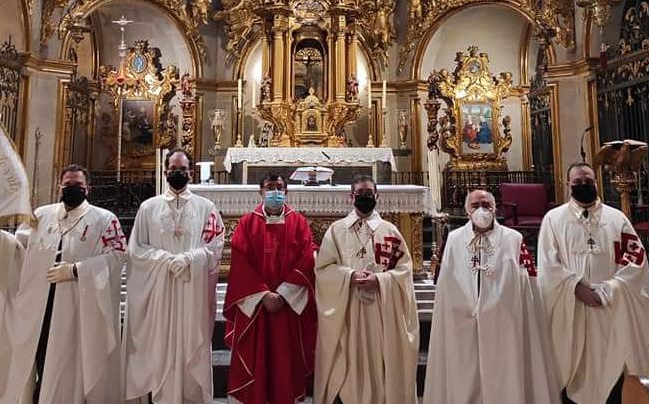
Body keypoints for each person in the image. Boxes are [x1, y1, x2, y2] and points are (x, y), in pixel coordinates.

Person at [0, 164, 126, 404]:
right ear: (59, 186)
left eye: (78, 185)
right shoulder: (41, 215)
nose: (72, 188)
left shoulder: (104, 220)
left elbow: (118, 256)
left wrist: (76, 270)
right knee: (38, 359)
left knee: (67, 364)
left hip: (75, 309)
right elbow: (19, 250)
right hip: (39, 307)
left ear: (88, 188)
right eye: (68, 185)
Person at [538, 163, 649, 404]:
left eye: (588, 181)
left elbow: (635, 262)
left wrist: (611, 289)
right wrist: (576, 287)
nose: (583, 185)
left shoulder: (617, 219)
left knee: (612, 370)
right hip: (572, 308)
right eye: (577, 182)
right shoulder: (553, 220)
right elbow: (547, 265)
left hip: (610, 307)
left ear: (597, 182)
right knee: (572, 370)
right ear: (568, 185)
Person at [423, 189, 561, 404]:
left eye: (487, 205)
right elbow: (446, 282)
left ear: (495, 208)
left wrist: (498, 304)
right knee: (465, 371)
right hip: (463, 320)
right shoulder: (454, 239)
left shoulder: (513, 239)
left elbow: (527, 282)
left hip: (504, 320)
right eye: (476, 205)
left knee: (505, 370)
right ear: (467, 211)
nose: (482, 209)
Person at [123, 148, 225, 404]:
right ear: (165, 171)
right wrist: (165, 260)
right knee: (161, 343)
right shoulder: (149, 207)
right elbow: (136, 249)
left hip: (192, 288)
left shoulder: (206, 207)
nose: (177, 173)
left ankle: (190, 397)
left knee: (191, 343)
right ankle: (162, 395)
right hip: (160, 289)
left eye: (182, 169)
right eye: (173, 169)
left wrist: (190, 259)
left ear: (190, 172)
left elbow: (216, 244)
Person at [314, 175, 419, 404]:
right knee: (350, 357)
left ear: (377, 196)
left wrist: (381, 281)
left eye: (369, 193)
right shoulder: (336, 230)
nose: (365, 197)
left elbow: (404, 271)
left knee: (378, 358)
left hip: (380, 310)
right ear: (351, 196)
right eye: (360, 193)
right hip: (348, 307)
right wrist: (349, 276)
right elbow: (323, 269)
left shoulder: (389, 231)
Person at [224, 172, 317, 404]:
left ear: (286, 191)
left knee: (284, 358)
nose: (275, 191)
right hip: (257, 307)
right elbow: (240, 262)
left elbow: (307, 259)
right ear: (261, 192)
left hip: (287, 307)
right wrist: (264, 294)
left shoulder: (299, 223)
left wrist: (284, 294)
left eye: (279, 187)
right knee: (258, 357)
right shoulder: (246, 224)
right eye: (269, 187)